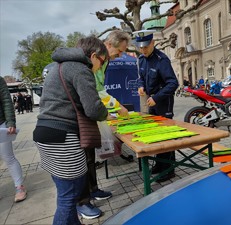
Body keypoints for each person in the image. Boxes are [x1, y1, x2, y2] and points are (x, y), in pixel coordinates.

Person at [33, 36, 109, 225]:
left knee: (65, 194)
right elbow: (93, 108)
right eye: (102, 62)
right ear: (94, 56)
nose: (100, 67)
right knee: (69, 197)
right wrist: (106, 112)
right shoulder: (81, 69)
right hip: (63, 137)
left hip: (44, 133)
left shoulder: (58, 66)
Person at [76, 30, 132, 220]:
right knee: (83, 160)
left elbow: (100, 90)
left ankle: (93, 190)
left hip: (90, 116)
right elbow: (96, 92)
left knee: (90, 157)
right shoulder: (92, 61)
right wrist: (116, 107)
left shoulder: (103, 60)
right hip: (77, 121)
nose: (121, 55)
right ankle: (83, 202)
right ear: (109, 45)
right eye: (119, 50)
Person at [133, 29, 179, 182]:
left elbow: (173, 83)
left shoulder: (162, 59)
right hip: (151, 101)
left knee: (166, 136)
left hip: (163, 102)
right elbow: (141, 77)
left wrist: (157, 98)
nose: (143, 49)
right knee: (156, 135)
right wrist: (141, 86)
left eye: (145, 46)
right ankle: (160, 164)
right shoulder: (142, 59)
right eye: (140, 47)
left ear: (152, 43)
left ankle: (169, 169)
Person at [0, 76, 27, 203]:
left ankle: (19, 187)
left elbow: (6, 101)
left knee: (8, 157)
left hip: (1, 124)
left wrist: (10, 122)